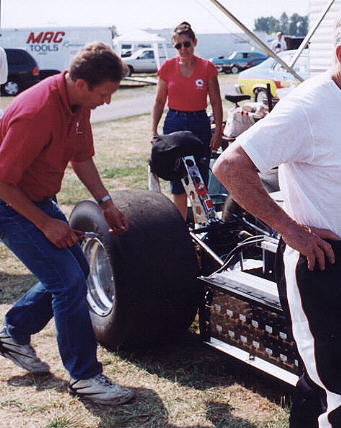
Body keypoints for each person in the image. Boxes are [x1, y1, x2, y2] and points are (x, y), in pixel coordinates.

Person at [214, 8, 341, 428]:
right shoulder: (307, 108)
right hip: (318, 263)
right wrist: (291, 230)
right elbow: (230, 167)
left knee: (323, 376)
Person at [0, 42, 134, 405]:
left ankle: (13, 332)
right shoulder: (37, 111)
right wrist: (45, 224)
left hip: (37, 197)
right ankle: (85, 376)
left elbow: (82, 157)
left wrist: (106, 203)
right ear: (81, 83)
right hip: (10, 202)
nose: (106, 102)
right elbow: (3, 181)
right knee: (68, 281)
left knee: (76, 269)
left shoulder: (78, 105)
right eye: (104, 94)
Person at [152, 21, 223, 220]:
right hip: (174, 122)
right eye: (178, 46)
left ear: (194, 42)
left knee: (199, 180)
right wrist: (153, 131)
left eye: (187, 44)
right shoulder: (167, 68)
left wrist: (217, 131)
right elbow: (159, 101)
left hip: (199, 123)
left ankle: (203, 227)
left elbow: (216, 102)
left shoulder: (207, 67)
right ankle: (182, 229)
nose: (183, 49)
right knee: (177, 181)